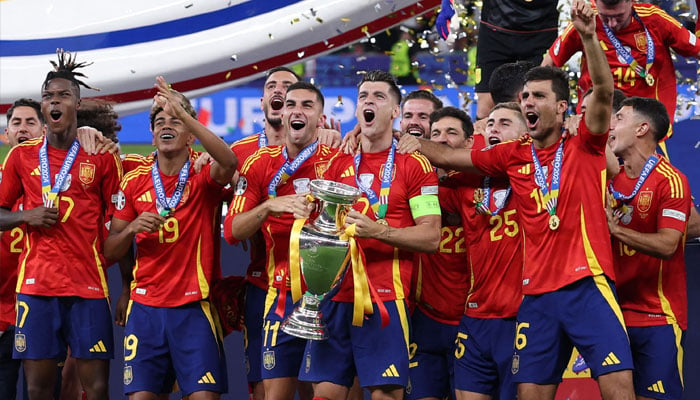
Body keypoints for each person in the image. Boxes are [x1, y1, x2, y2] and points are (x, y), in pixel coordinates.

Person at [397, 2, 636, 399]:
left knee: (618, 387)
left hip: (586, 284)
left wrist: (589, 37)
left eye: (538, 96)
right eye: (525, 96)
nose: (528, 102)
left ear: (562, 106)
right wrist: (398, 139)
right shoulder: (513, 154)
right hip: (536, 297)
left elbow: (605, 91)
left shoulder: (585, 144)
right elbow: (450, 155)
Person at [298, 70, 441, 400]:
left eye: (379, 97)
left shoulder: (415, 165)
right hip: (333, 296)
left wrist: (379, 231)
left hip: (385, 297)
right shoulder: (337, 163)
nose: (369, 102)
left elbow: (431, 237)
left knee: (385, 394)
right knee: (324, 394)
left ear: (394, 112)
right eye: (364, 96)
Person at [0, 50, 123, 400]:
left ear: (77, 103)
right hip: (37, 290)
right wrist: (26, 216)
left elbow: (119, 222)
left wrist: (127, 285)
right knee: (39, 389)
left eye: (63, 96)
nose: (54, 102)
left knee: (95, 389)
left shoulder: (101, 156)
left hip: (89, 289)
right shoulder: (21, 157)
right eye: (48, 96)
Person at [104, 76, 236, 399]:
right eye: (159, 121)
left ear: (191, 134)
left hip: (193, 308)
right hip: (145, 309)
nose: (167, 125)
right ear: (151, 135)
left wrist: (186, 113)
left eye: (176, 121)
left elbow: (230, 162)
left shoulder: (202, 174)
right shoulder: (134, 182)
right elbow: (109, 250)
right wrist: (133, 228)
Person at [224, 81, 337, 400]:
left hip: (330, 299)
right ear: (281, 113)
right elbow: (232, 231)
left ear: (320, 117)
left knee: (331, 393)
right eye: (291, 105)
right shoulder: (258, 163)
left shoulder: (340, 161)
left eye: (307, 105)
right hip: (279, 296)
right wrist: (268, 206)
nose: (297, 111)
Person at [439, 102, 526, 400]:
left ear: (526, 134)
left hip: (522, 316)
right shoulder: (465, 181)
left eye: (504, 123)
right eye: (490, 124)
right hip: (475, 316)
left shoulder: (537, 178)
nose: (494, 129)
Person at [607, 97, 690, 400]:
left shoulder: (671, 181)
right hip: (612, 316)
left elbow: (668, 244)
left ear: (642, 128)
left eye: (619, 117)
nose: (611, 124)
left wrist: (615, 229)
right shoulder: (605, 178)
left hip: (657, 316)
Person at [543, 0, 700, 141]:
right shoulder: (585, 21)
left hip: (645, 127)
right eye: (606, 17)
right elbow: (546, 66)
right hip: (596, 123)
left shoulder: (655, 19)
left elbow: (697, 49)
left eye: (618, 16)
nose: (611, 24)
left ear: (631, 2)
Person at [407, 106, 472, 400]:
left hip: (472, 321)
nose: (442, 139)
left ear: (470, 143)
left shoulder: (481, 188)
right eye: (436, 134)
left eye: (451, 132)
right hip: (426, 322)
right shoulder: (415, 186)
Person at [435, 0, 558, 119]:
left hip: (543, 32)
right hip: (494, 32)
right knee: (485, 110)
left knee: (538, 107)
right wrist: (447, 4)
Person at [0, 98, 47, 399]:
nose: (23, 129)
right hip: (2, 315)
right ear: (6, 135)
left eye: (31, 122)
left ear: (44, 130)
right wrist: (25, 216)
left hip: (44, 308)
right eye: (16, 123)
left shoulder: (56, 180)